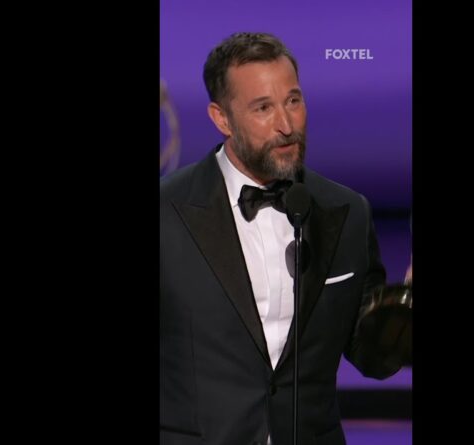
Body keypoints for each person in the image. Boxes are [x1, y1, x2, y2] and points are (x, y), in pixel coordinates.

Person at [160, 32, 406, 445]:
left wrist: (404, 314)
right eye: (263, 108)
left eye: (293, 101)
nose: (287, 126)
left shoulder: (347, 212)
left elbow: (374, 357)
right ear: (222, 119)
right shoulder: (167, 213)